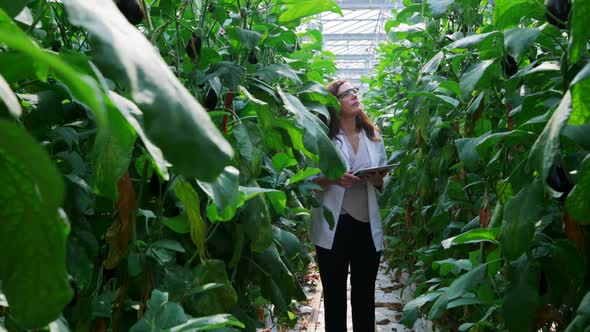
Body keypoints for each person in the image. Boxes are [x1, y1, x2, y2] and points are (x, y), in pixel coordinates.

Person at [309, 79, 388, 332]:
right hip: (334, 226)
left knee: (365, 295)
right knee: (334, 297)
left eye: (355, 91)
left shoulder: (373, 136)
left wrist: (378, 180)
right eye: (347, 93)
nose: (354, 96)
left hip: (366, 226)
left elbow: (385, 175)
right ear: (334, 103)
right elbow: (307, 181)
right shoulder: (323, 139)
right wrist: (332, 178)